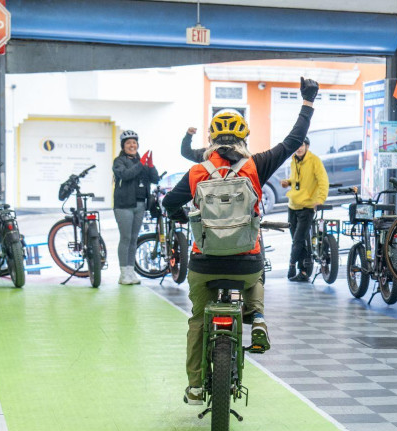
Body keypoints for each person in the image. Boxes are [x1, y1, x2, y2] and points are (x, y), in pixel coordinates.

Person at [163, 78, 319, 405]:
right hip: (246, 262)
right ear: (244, 137)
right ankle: (257, 319)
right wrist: (307, 102)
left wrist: (182, 217)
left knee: (197, 319)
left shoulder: (197, 172)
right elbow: (292, 142)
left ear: (211, 138)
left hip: (204, 263)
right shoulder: (256, 165)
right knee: (256, 269)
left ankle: (194, 387)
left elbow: (168, 204)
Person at [113, 130, 160, 285]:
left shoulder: (143, 162)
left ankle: (131, 271)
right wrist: (141, 164)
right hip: (124, 205)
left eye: (134, 143)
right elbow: (126, 175)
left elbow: (155, 179)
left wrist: (151, 166)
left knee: (133, 239)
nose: (132, 145)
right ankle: (123, 273)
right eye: (128, 143)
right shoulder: (119, 161)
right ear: (123, 146)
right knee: (125, 238)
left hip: (140, 204)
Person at [280, 136, 328, 281]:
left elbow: (323, 181)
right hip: (292, 205)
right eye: (297, 146)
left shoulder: (314, 161)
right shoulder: (294, 160)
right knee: (299, 240)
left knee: (298, 240)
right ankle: (304, 271)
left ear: (307, 146)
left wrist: (320, 200)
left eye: (302, 145)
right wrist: (288, 182)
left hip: (307, 206)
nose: (299, 148)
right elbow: (297, 181)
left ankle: (292, 265)